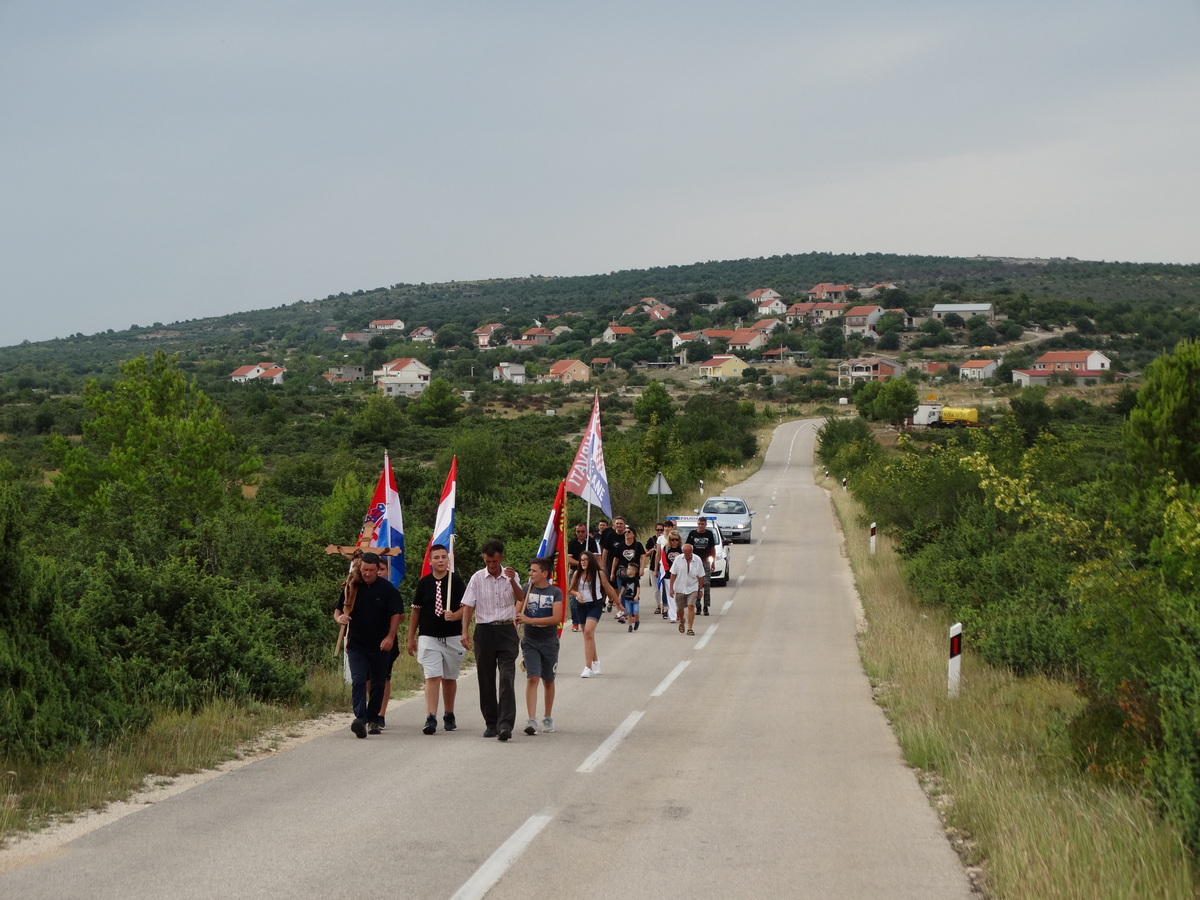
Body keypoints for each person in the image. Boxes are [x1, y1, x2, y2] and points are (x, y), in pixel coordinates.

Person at [333, 552, 404, 738]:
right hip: (356, 644)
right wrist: (340, 619)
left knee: (378, 683)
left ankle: (374, 719)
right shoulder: (352, 586)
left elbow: (396, 614)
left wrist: (390, 637)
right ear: (360, 568)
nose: (367, 573)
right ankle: (360, 718)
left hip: (380, 645)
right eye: (364, 569)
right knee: (358, 680)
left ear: (378, 570)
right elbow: (338, 610)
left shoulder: (387, 589)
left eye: (372, 570)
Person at [460, 539, 524, 742]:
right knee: (486, 678)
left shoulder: (511, 575)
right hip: (485, 631)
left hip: (506, 629)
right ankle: (491, 722)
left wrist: (512, 581)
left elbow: (521, 597)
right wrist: (464, 631)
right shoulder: (477, 578)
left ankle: (505, 724)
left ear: (501, 558)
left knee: (506, 676)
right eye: (488, 561)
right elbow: (468, 605)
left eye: (495, 561)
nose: (491, 565)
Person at [405, 544, 467, 735]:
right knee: (432, 676)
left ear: (448, 559)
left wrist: (455, 615)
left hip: (452, 636)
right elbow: (416, 610)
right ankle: (431, 716)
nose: (440, 561)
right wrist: (410, 637)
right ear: (430, 561)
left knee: (449, 677)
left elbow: (467, 607)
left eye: (443, 557)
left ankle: (449, 713)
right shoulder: (424, 583)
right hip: (429, 636)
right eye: (437, 557)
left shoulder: (456, 581)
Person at [517, 557, 563, 735]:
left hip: (549, 642)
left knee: (548, 680)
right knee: (532, 678)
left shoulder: (555, 592)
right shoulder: (526, 589)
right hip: (530, 641)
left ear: (544, 573)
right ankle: (531, 720)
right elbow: (517, 612)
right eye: (530, 570)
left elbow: (556, 618)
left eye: (534, 570)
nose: (530, 573)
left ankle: (548, 716)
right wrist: (517, 619)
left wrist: (530, 620)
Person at [569, 550, 617, 678]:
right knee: (588, 636)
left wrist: (619, 604)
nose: (583, 562)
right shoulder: (577, 573)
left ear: (591, 561)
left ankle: (588, 667)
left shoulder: (599, 574)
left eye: (586, 559)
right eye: (582, 560)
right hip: (580, 606)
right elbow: (571, 590)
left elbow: (608, 588)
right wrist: (577, 594)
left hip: (595, 605)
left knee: (588, 632)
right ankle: (596, 661)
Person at [566, 522, 599, 633]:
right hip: (575, 572)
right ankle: (575, 622)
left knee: (588, 594)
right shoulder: (572, 543)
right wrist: (581, 564)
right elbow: (568, 559)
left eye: (582, 531)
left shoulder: (591, 542)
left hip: (590, 573)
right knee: (573, 597)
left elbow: (595, 557)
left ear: (586, 532)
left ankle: (588, 617)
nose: (580, 533)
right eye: (578, 531)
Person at [669, 541, 706, 636]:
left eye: (689, 554)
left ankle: (690, 628)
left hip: (693, 587)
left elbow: (700, 576)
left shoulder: (697, 560)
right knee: (680, 609)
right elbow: (673, 574)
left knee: (691, 606)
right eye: (686, 554)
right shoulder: (678, 559)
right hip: (680, 588)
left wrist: (700, 589)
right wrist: (671, 588)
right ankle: (682, 620)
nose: (687, 556)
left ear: (692, 552)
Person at [685, 517, 717, 616]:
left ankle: (706, 606)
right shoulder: (692, 534)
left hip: (705, 562)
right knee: (696, 584)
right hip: (695, 562)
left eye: (702, 524)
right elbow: (687, 548)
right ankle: (697, 605)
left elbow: (712, 548)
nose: (700, 526)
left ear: (705, 524)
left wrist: (713, 562)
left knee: (706, 584)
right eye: (699, 524)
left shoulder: (709, 534)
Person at [599, 516, 628, 609]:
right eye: (617, 523)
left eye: (621, 524)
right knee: (614, 586)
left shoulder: (627, 535)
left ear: (624, 525)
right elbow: (605, 551)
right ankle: (618, 605)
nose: (619, 525)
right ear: (614, 525)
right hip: (611, 564)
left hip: (625, 565)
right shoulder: (610, 535)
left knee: (625, 586)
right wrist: (603, 565)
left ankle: (623, 605)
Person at [658, 529, 684, 622]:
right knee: (671, 595)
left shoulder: (681, 549)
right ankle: (673, 616)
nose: (674, 542)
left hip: (680, 575)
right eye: (672, 539)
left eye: (676, 539)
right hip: (668, 575)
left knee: (679, 595)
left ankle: (679, 612)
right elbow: (664, 561)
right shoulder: (666, 549)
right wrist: (667, 571)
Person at [615, 562, 642, 632]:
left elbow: (638, 589)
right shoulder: (625, 579)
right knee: (629, 614)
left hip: (634, 600)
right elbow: (623, 588)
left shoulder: (636, 580)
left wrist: (637, 596)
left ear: (633, 572)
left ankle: (637, 621)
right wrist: (620, 595)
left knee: (635, 613)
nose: (627, 570)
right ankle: (630, 626)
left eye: (629, 569)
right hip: (627, 599)